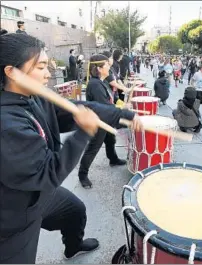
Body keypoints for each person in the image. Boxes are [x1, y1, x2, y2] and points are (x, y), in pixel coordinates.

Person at [0, 32, 142, 263]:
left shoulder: (33, 97)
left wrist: (124, 116)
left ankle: (72, 247)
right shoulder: (6, 124)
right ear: (11, 72)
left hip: (39, 196)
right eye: (41, 67)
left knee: (74, 211)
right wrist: (84, 132)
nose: (48, 74)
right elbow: (49, 173)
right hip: (15, 215)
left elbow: (74, 107)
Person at [78, 54, 131, 188]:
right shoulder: (95, 85)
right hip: (98, 120)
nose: (110, 66)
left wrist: (121, 104)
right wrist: (122, 109)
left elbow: (110, 98)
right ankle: (82, 175)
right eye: (107, 64)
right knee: (93, 148)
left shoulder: (102, 81)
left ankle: (112, 159)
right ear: (100, 68)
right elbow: (105, 107)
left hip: (105, 118)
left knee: (110, 139)